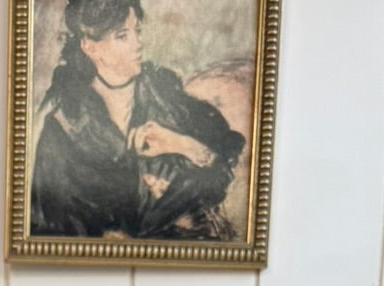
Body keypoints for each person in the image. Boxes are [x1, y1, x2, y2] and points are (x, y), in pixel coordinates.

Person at [30, 0, 244, 242]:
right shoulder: (64, 128)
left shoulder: (167, 100)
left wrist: (183, 145)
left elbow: (222, 171)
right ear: (90, 47)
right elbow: (47, 227)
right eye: (122, 36)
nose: (138, 43)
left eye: (137, 31)